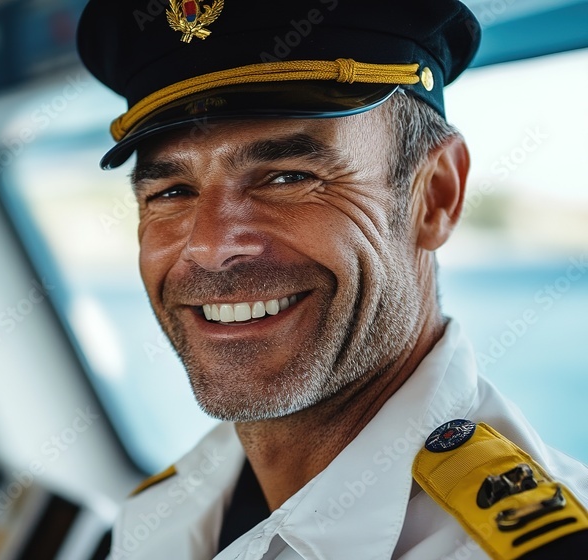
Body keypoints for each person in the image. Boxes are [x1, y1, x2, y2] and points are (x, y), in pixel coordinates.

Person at [76, 1, 588, 558]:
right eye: (171, 192)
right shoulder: (158, 519)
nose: (211, 245)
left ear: (436, 194)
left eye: (289, 177)